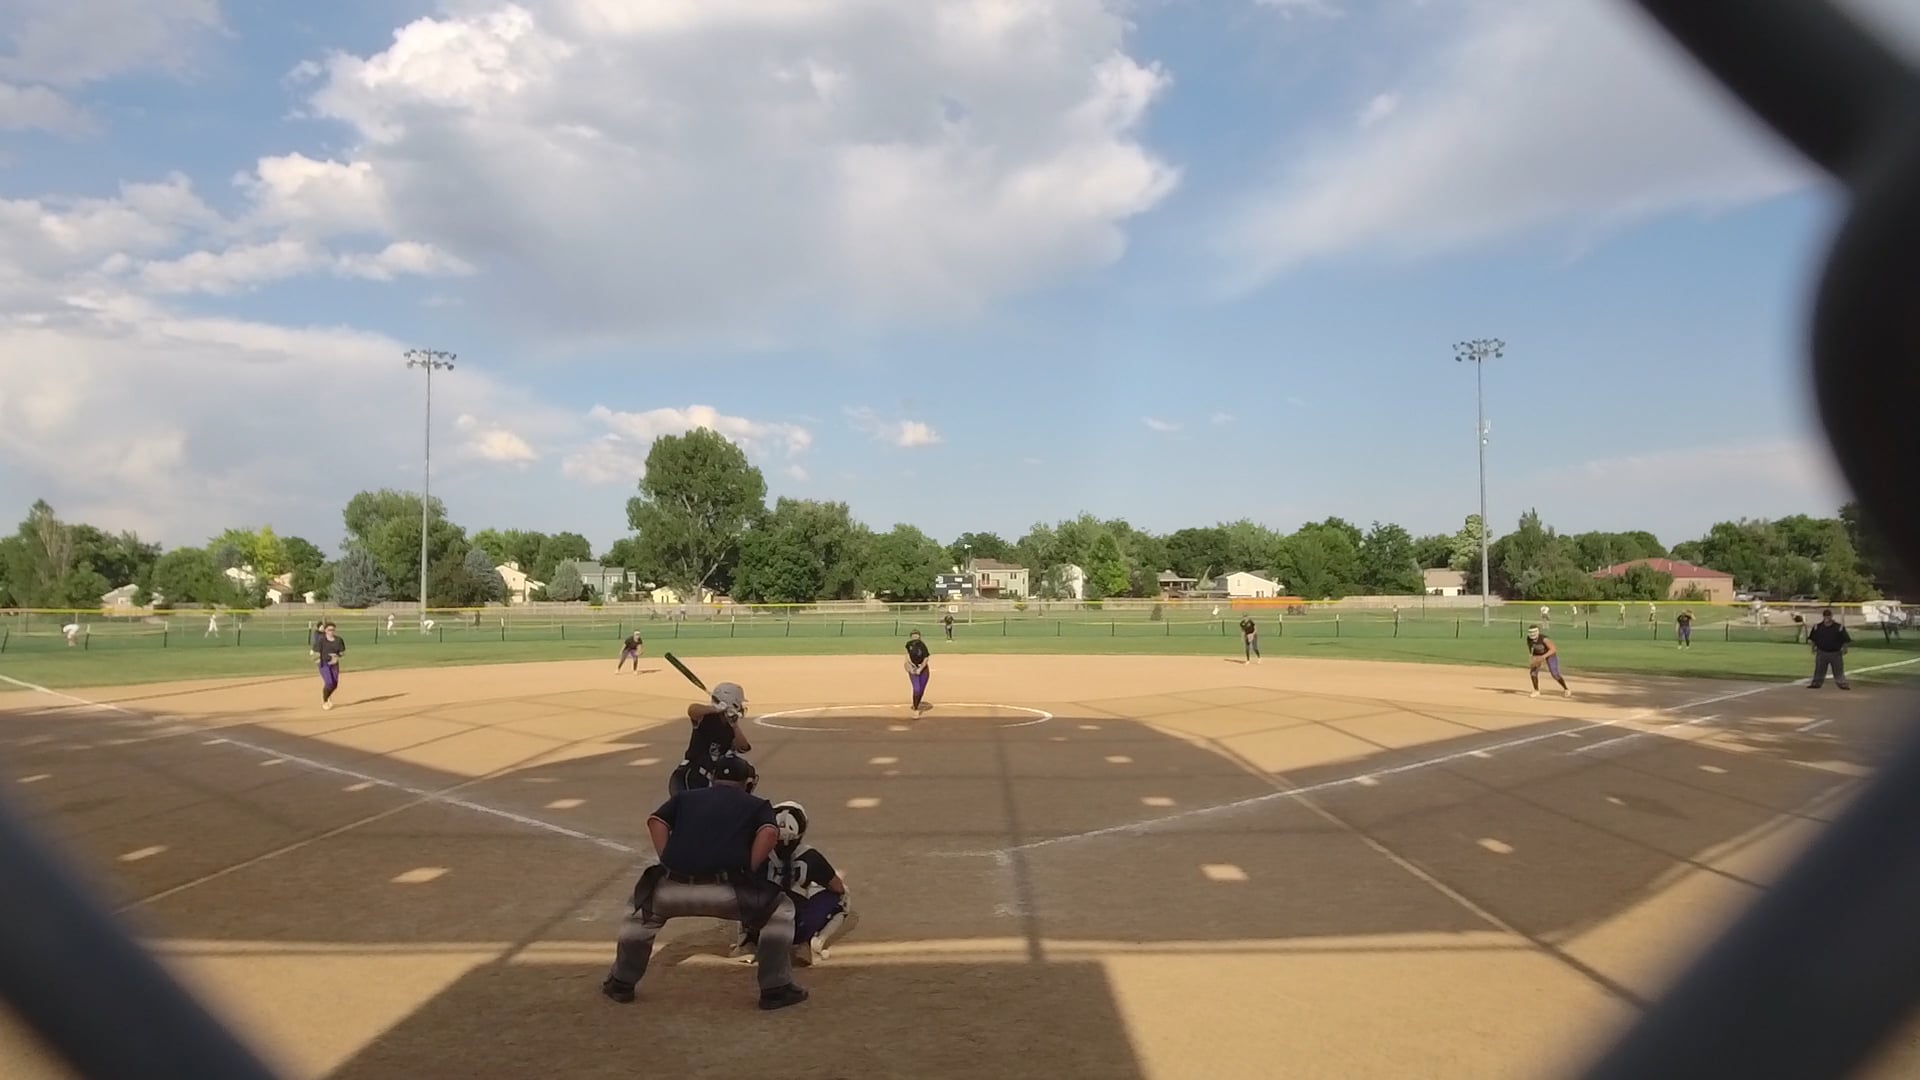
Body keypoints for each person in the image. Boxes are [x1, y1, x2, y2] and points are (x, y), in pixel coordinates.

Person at [601, 756, 808, 1011]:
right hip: (728, 892)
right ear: (747, 783)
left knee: (639, 912)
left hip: (671, 890)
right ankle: (776, 988)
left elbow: (656, 821)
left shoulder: (685, 797)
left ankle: (621, 983)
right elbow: (769, 832)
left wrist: (668, 860)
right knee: (780, 910)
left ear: (712, 779)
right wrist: (750, 868)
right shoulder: (757, 804)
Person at [734, 800, 858, 966]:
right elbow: (837, 887)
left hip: (760, 927)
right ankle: (811, 943)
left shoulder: (754, 851)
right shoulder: (810, 857)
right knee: (843, 896)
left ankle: (746, 942)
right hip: (796, 929)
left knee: (744, 889)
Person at [669, 682, 754, 796]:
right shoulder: (706, 717)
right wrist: (716, 709)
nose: (741, 708)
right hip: (689, 776)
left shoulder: (730, 727)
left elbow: (743, 747)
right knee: (692, 806)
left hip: (706, 780)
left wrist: (735, 726)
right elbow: (692, 710)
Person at [1806, 609, 1853, 691]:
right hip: (1821, 652)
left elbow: (1845, 640)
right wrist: (1813, 648)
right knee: (1819, 669)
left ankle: (1842, 684)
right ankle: (1816, 683)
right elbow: (1813, 639)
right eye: (1825, 616)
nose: (1827, 617)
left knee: (1838, 670)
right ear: (1823, 616)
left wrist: (1845, 649)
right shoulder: (1817, 627)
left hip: (1835, 653)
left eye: (1828, 616)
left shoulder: (1839, 627)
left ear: (1831, 616)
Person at [1526, 626, 1571, 698]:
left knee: (1555, 673)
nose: (1533, 637)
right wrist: (1533, 658)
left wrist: (1543, 657)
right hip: (1538, 655)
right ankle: (1536, 691)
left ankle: (1566, 689)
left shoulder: (1544, 639)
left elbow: (1553, 649)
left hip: (1550, 655)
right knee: (1533, 672)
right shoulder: (1529, 639)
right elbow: (1531, 649)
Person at [312, 621, 346, 710]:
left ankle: (328, 694)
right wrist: (317, 660)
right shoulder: (321, 640)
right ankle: (325, 701)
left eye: (333, 630)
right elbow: (315, 652)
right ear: (325, 631)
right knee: (329, 682)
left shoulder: (338, 640)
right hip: (324, 663)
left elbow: (342, 652)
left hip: (334, 664)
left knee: (334, 684)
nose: (331, 631)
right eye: (329, 630)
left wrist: (337, 656)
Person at [904, 631, 932, 713]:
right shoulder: (908, 645)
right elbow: (907, 658)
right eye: (913, 636)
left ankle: (917, 702)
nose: (915, 638)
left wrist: (920, 669)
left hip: (923, 669)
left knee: (921, 690)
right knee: (917, 689)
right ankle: (915, 708)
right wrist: (911, 668)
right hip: (913, 668)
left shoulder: (922, 645)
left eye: (917, 636)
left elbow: (926, 658)